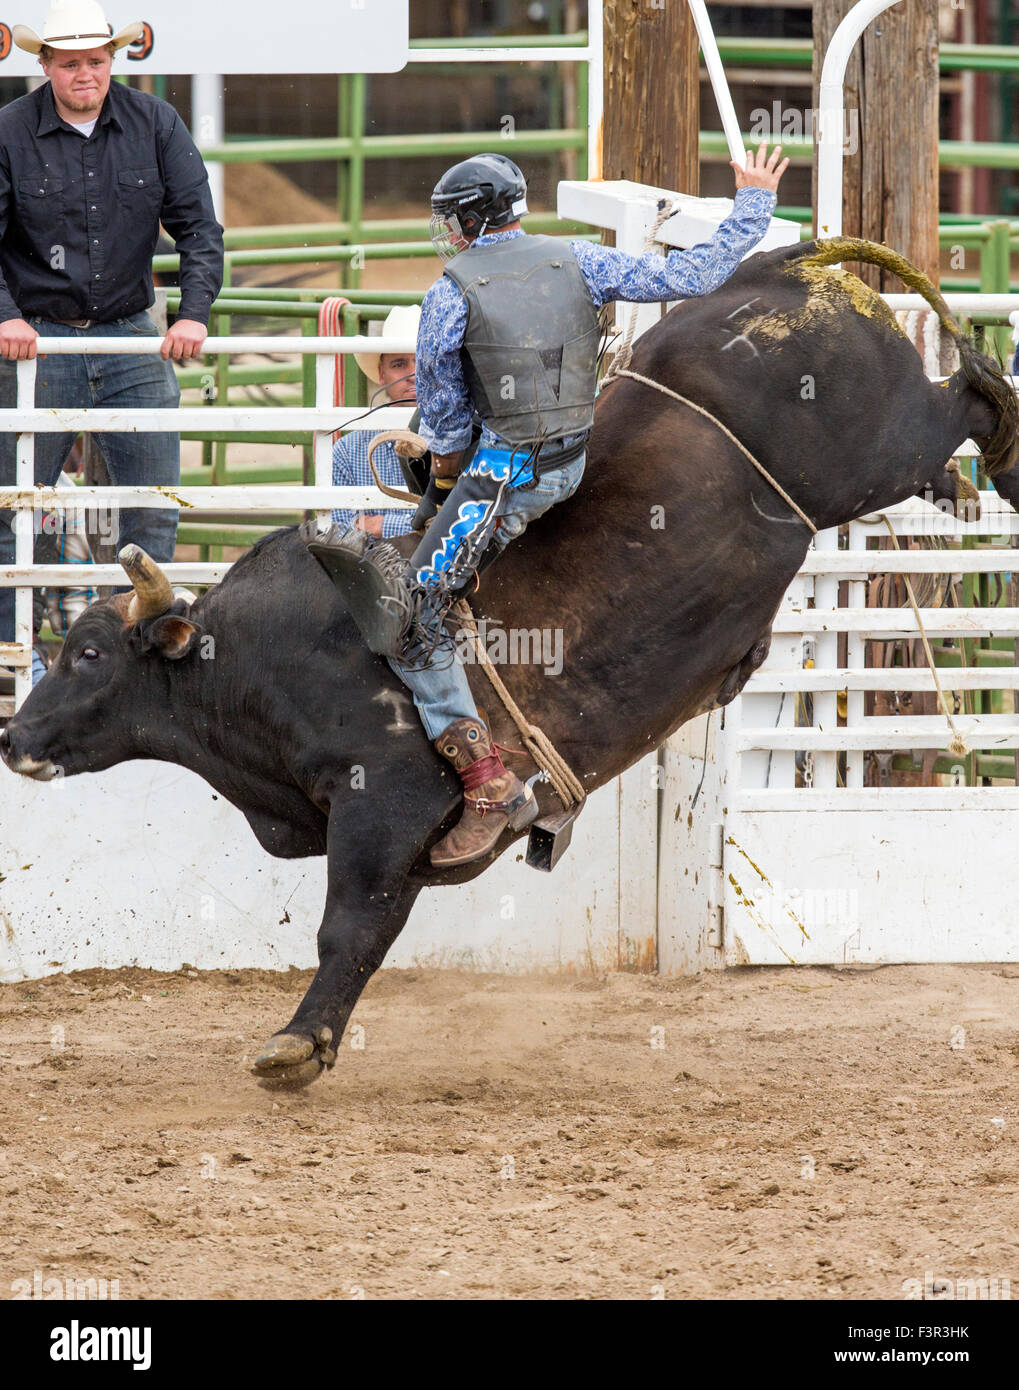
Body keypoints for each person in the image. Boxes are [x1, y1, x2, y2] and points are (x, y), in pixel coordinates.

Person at [310, 145, 788, 869]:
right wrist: (750, 201)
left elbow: (442, 427)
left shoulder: (449, 295)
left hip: (504, 478)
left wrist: (440, 473)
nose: (446, 232)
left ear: (469, 219)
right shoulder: (579, 259)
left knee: (411, 612)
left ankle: (485, 784)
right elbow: (689, 275)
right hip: (569, 459)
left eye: (450, 220)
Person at [0, 0, 224, 663]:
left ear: (112, 60)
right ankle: (21, 652)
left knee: (152, 502)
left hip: (130, 333)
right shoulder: (8, 131)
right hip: (39, 338)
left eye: (95, 61)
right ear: (45, 66)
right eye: (70, 64)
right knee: (17, 503)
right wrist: (6, 314)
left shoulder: (155, 122)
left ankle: (139, 652)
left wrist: (193, 312)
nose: (85, 74)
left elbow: (198, 228)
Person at [331, 305, 421, 539]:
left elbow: (461, 525)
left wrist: (380, 526)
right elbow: (340, 536)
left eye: (421, 362)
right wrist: (419, 525)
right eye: (399, 364)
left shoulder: (461, 440)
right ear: (382, 373)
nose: (412, 374)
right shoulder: (348, 452)